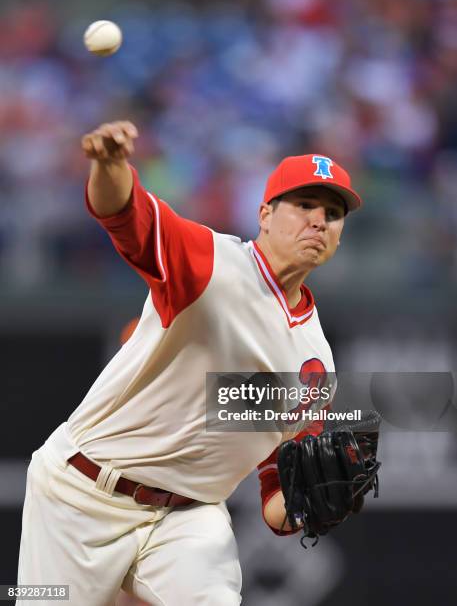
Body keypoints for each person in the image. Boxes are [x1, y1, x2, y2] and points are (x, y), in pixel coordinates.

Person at [17, 120, 362, 605]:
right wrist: (111, 165)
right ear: (264, 214)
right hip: (81, 494)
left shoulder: (314, 363)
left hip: (188, 518)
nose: (319, 220)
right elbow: (124, 213)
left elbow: (275, 498)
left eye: (333, 213)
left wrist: (316, 506)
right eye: (304, 204)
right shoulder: (209, 264)